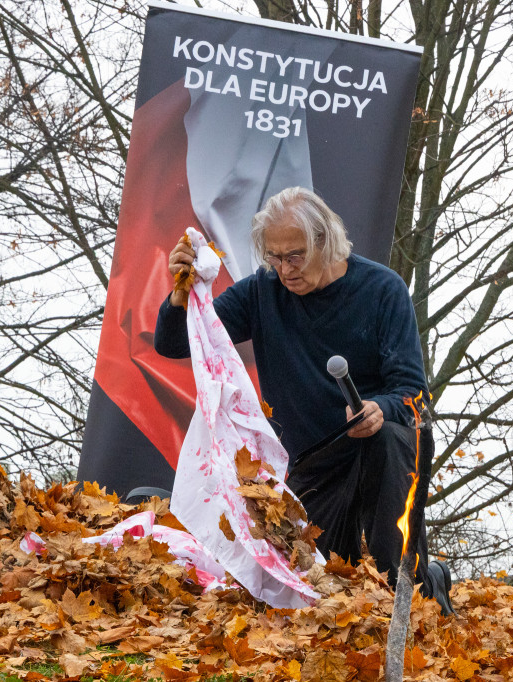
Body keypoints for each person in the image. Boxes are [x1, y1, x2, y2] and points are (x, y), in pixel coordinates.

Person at [154, 187, 454, 615]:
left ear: (325, 242)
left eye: (294, 256)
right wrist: (180, 294)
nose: (285, 269)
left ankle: (420, 594)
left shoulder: (383, 290)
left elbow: (413, 393)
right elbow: (177, 344)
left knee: (390, 496)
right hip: (311, 464)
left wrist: (379, 409)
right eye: (273, 258)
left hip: (376, 446)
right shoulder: (263, 292)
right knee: (319, 579)